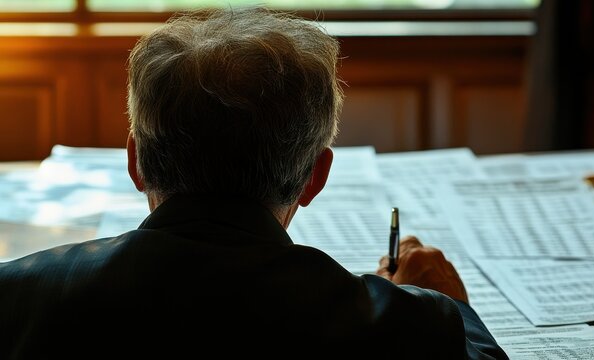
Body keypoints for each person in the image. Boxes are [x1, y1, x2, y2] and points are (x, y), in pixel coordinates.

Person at [0, 7, 508, 359]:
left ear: (136, 162)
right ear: (315, 177)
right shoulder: (394, 325)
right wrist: (453, 308)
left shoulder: (17, 298)